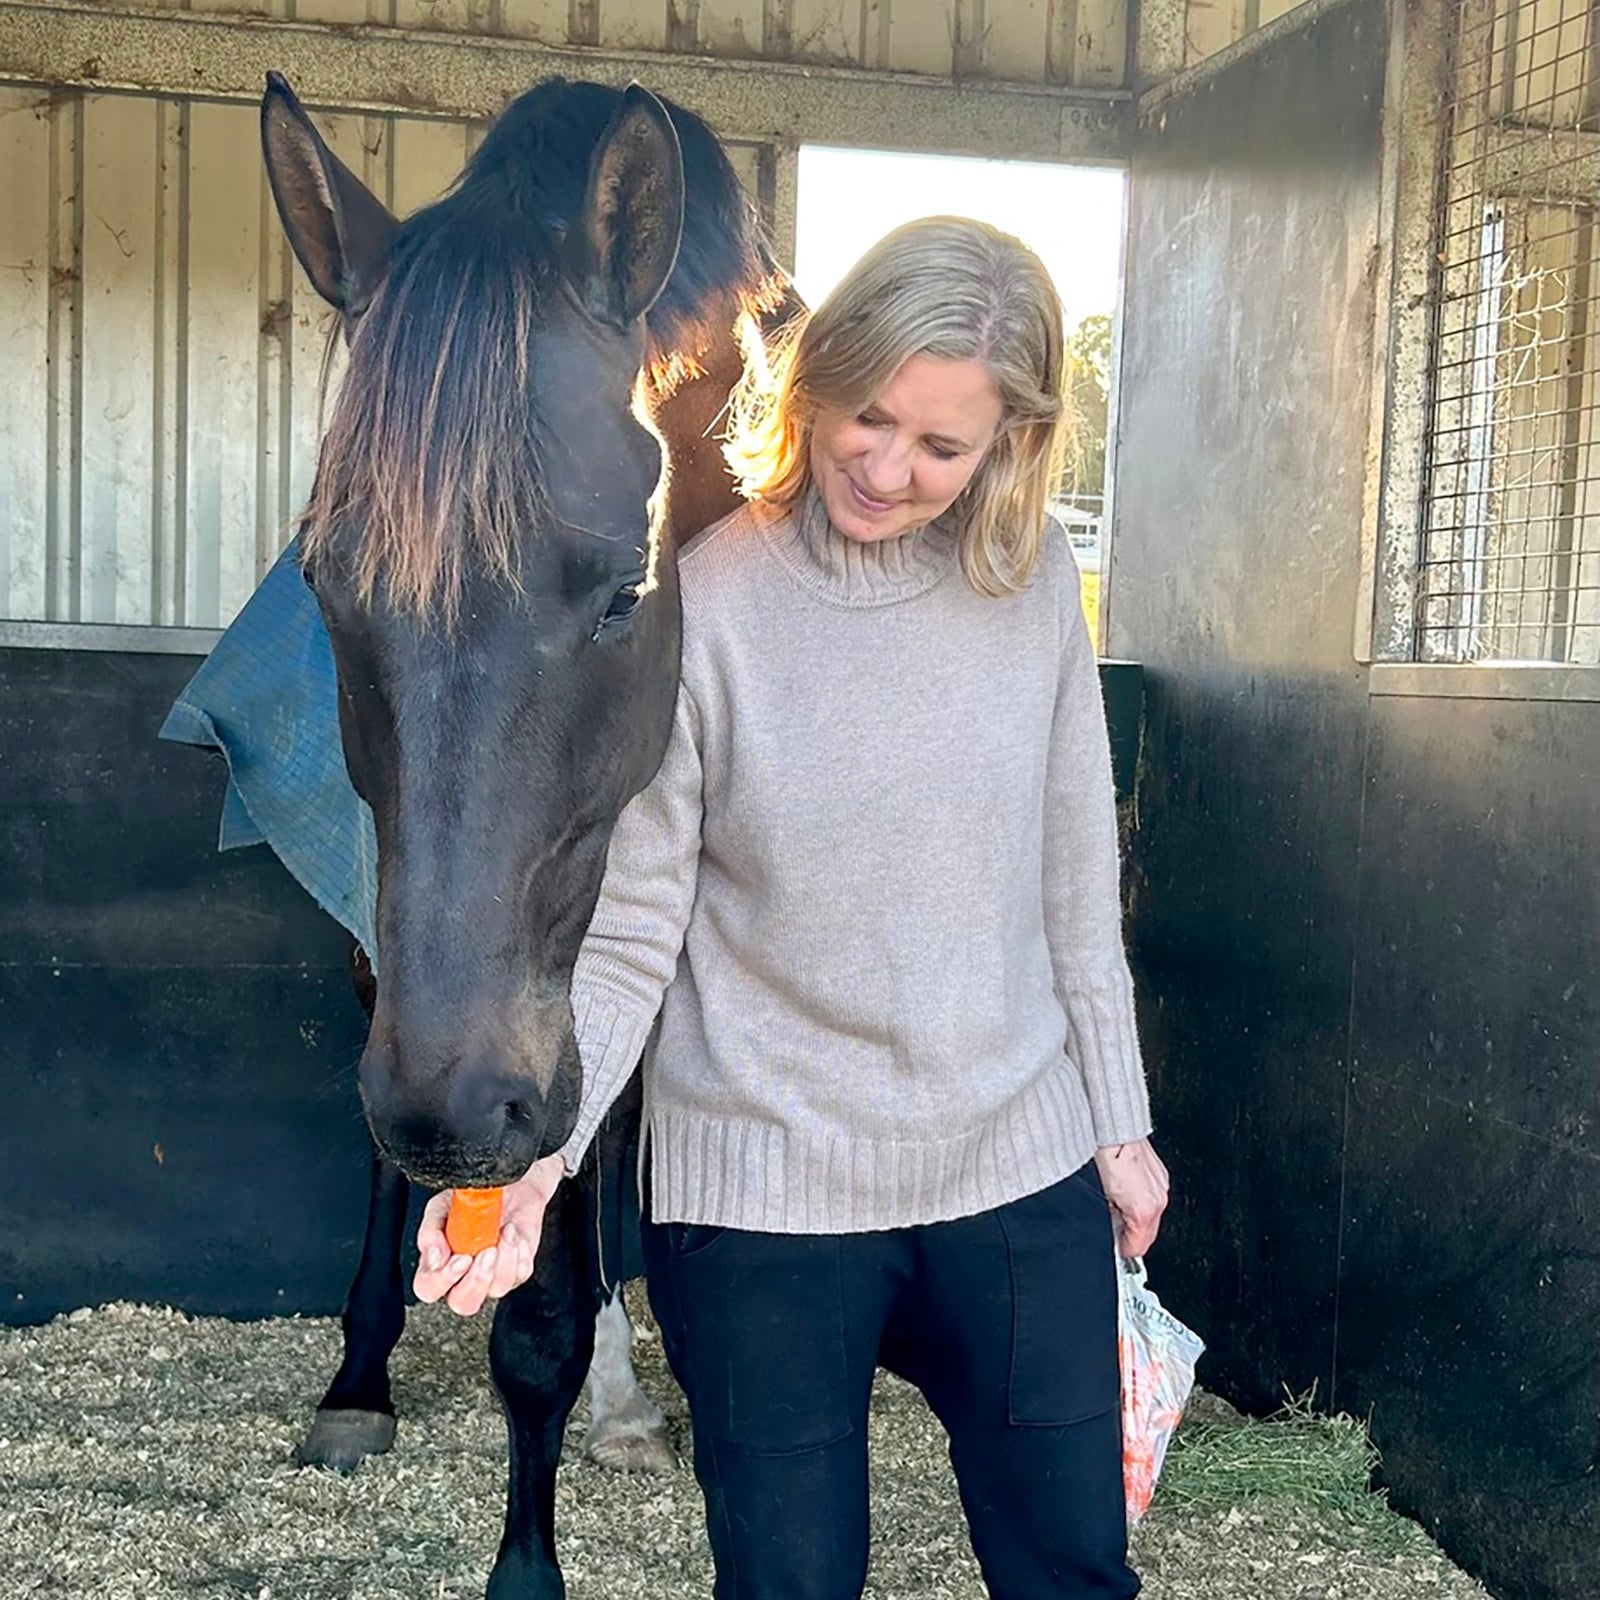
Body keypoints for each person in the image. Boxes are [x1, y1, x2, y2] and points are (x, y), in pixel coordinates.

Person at [415, 215, 1169, 1599]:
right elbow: (635, 928)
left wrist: (1117, 1125)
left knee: (1073, 1572)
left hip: (1016, 1167)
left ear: (1011, 441)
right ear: (818, 380)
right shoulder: (704, 601)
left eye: (943, 449)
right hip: (764, 1194)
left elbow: (1071, 878)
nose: (888, 471)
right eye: (866, 418)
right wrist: (536, 1161)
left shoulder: (1036, 581)